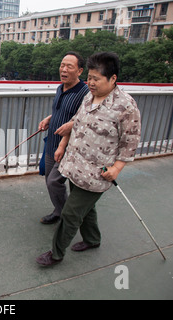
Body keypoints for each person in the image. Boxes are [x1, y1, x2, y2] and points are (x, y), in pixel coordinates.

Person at [36, 52, 141, 267]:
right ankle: (93, 239)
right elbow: (77, 120)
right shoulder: (89, 96)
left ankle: (56, 253)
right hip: (75, 165)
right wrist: (62, 142)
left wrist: (118, 168)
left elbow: (130, 142)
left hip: (96, 173)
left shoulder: (126, 106)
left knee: (71, 213)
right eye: (90, 78)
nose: (91, 83)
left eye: (96, 79)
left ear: (112, 78)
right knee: (87, 209)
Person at [38, 52, 89, 224]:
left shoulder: (85, 93)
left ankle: (68, 216)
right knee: (49, 180)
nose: (64, 69)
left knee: (54, 181)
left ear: (80, 71)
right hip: (52, 143)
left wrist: (62, 145)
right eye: (62, 65)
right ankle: (59, 211)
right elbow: (60, 111)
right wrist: (49, 119)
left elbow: (82, 120)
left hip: (67, 148)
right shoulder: (61, 88)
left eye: (69, 66)